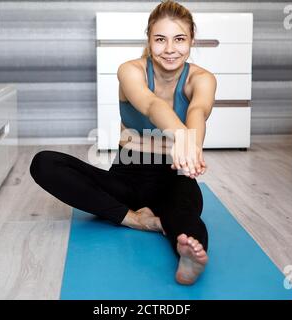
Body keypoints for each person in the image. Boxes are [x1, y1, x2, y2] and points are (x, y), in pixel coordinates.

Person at [30, 0, 217, 285]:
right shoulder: (131, 70)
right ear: (149, 40)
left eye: (179, 39)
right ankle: (136, 219)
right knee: (44, 163)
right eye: (160, 39)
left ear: (192, 39)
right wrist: (181, 135)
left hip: (174, 178)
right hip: (127, 179)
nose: (170, 49)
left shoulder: (202, 78)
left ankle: (188, 254)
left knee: (185, 212)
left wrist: (192, 144)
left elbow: (197, 111)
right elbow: (151, 104)